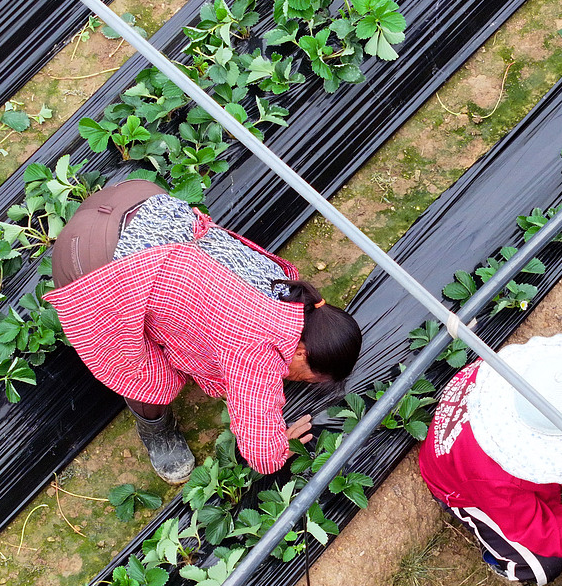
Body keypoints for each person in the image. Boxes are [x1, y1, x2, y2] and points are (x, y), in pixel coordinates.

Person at [44, 180, 362, 483]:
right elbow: (261, 454)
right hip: (86, 260)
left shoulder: (287, 286)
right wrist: (282, 448)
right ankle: (155, 428)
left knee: (179, 320)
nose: (291, 379)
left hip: (135, 201)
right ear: (303, 351)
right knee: (143, 371)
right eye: (304, 376)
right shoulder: (256, 352)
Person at [419, 333, 562, 585]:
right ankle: (501, 555)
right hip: (461, 481)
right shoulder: (493, 476)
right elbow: (537, 531)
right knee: (540, 566)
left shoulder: (534, 374)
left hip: (503, 414)